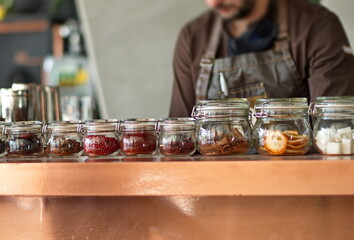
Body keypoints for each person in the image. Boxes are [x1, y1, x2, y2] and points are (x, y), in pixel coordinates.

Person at [169, 0, 354, 117]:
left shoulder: (316, 26)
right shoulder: (192, 38)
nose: (214, 3)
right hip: (216, 177)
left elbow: (333, 128)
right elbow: (181, 131)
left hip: (297, 174)